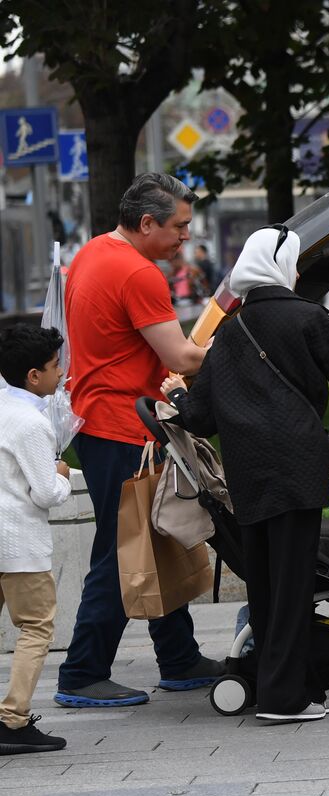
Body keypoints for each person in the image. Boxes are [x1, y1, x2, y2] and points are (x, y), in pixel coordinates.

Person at [161, 226, 329, 723]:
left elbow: (200, 417)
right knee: (293, 586)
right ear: (283, 265)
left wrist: (177, 397)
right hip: (295, 468)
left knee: (268, 586)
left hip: (247, 476)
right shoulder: (308, 319)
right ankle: (287, 698)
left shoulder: (231, 330)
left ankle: (281, 683)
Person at [56, 173, 220, 708]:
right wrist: (240, 355)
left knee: (157, 538)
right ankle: (82, 672)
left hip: (101, 419)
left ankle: (179, 658)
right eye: (178, 227)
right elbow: (181, 358)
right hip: (124, 425)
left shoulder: (94, 252)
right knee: (121, 550)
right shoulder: (138, 273)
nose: (184, 238)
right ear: (146, 223)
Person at [0, 326, 71, 753]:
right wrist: (61, 476)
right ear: (33, 375)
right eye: (54, 366)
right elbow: (45, 493)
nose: (60, 373)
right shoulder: (31, 422)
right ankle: (12, 720)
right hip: (19, 544)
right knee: (36, 627)